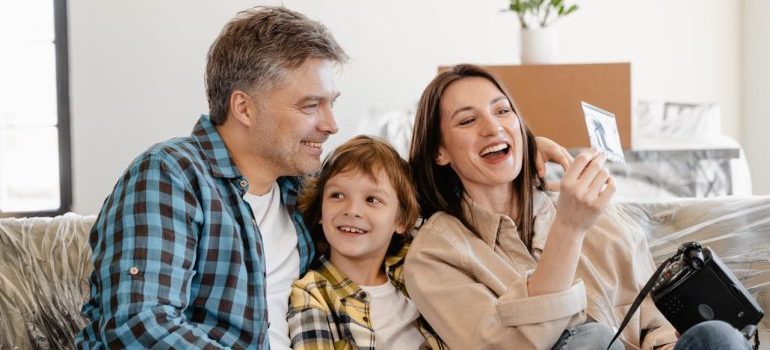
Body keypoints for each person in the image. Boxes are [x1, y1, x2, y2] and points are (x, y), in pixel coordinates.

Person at [75, 6, 570, 349]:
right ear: (243, 107)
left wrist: (518, 162)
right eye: (310, 105)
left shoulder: (304, 195)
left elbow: (398, 201)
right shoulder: (172, 175)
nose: (331, 124)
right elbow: (139, 327)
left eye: (332, 104)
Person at [404, 64, 753, 350]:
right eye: (467, 120)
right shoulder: (435, 254)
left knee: (717, 336)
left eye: (503, 110)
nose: (493, 126)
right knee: (592, 339)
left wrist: (660, 342)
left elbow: (653, 321)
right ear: (439, 151)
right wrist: (569, 228)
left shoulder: (596, 213)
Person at [287, 135, 447, 349]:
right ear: (320, 212)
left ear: (400, 220)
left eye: (372, 200)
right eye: (337, 195)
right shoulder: (311, 294)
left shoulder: (417, 266)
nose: (352, 210)